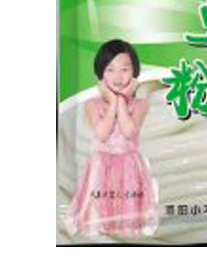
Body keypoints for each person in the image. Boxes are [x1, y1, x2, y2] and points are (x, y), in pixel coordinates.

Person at [64, 39, 159, 238]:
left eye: (125, 69)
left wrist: (120, 100)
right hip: (101, 164)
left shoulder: (141, 104)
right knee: (99, 215)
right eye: (110, 70)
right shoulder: (92, 104)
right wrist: (114, 101)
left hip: (130, 164)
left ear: (134, 72)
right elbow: (102, 133)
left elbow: (129, 131)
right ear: (101, 73)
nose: (118, 76)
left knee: (127, 217)